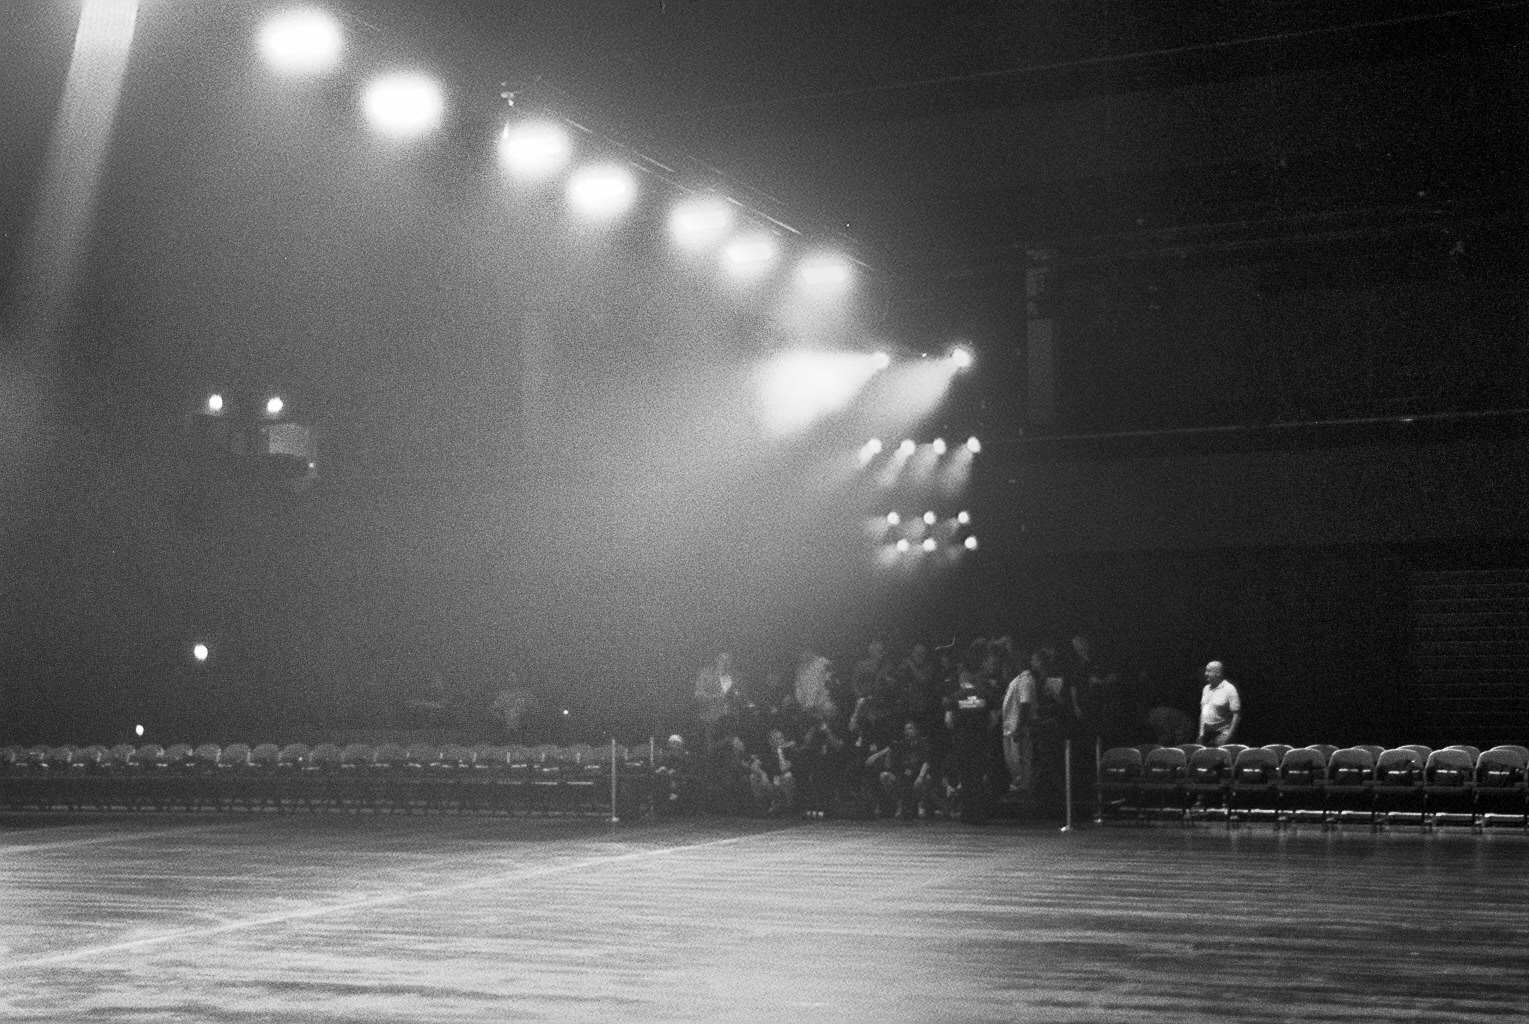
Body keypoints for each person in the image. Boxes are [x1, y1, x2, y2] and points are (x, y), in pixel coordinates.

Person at [694, 651, 741, 747]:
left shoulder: (734, 676)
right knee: (713, 749)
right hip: (711, 720)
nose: (726, 663)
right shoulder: (706, 674)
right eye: (723, 659)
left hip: (731, 719)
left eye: (728, 660)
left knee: (732, 747)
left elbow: (739, 695)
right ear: (716, 659)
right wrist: (716, 697)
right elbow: (698, 695)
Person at [1197, 660, 1241, 745]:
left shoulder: (1229, 689)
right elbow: (1204, 712)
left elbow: (1236, 715)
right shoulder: (1206, 689)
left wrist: (1229, 735)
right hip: (1207, 734)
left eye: (1209, 671)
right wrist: (1201, 733)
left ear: (1218, 673)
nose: (1205, 673)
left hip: (1222, 734)